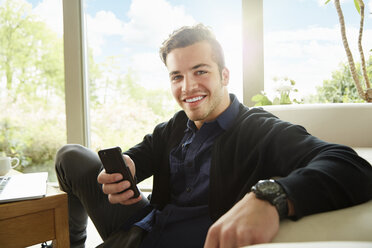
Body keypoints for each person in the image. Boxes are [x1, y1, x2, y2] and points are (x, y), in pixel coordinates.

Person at [55, 24, 372, 248]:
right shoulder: (176, 126)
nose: (188, 87)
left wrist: (271, 196)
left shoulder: (257, 129)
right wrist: (128, 167)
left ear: (225, 75)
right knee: (70, 155)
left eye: (200, 71)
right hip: (142, 220)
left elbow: (351, 166)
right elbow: (143, 152)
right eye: (177, 76)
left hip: (181, 239)